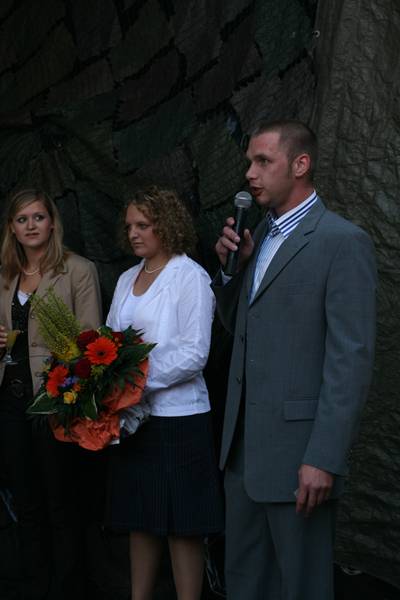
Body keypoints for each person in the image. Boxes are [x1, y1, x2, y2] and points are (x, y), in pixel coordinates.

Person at [212, 119, 377, 600]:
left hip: (299, 459)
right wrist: (231, 274)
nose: (250, 173)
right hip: (242, 455)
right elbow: (240, 330)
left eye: (263, 161)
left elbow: (350, 361)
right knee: (246, 585)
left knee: (302, 587)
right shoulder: (258, 236)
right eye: (249, 162)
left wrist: (323, 458)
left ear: (300, 164)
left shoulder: (342, 241)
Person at [106, 185, 223, 600]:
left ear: (166, 225)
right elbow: (109, 342)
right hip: (134, 423)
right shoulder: (126, 278)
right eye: (129, 226)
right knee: (140, 519)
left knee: (182, 524)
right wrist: (110, 384)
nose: (134, 233)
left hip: (180, 420)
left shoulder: (190, 276)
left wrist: (133, 382)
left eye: (143, 225)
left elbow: (194, 353)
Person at [0, 189, 102, 600]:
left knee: (62, 502)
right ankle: (35, 589)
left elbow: (91, 339)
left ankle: (69, 590)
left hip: (56, 398)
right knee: (26, 502)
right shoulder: (5, 274)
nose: (31, 225)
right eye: (22, 219)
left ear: (52, 222)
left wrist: (59, 356)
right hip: (10, 399)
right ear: (12, 228)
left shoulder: (78, 270)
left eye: (38, 217)